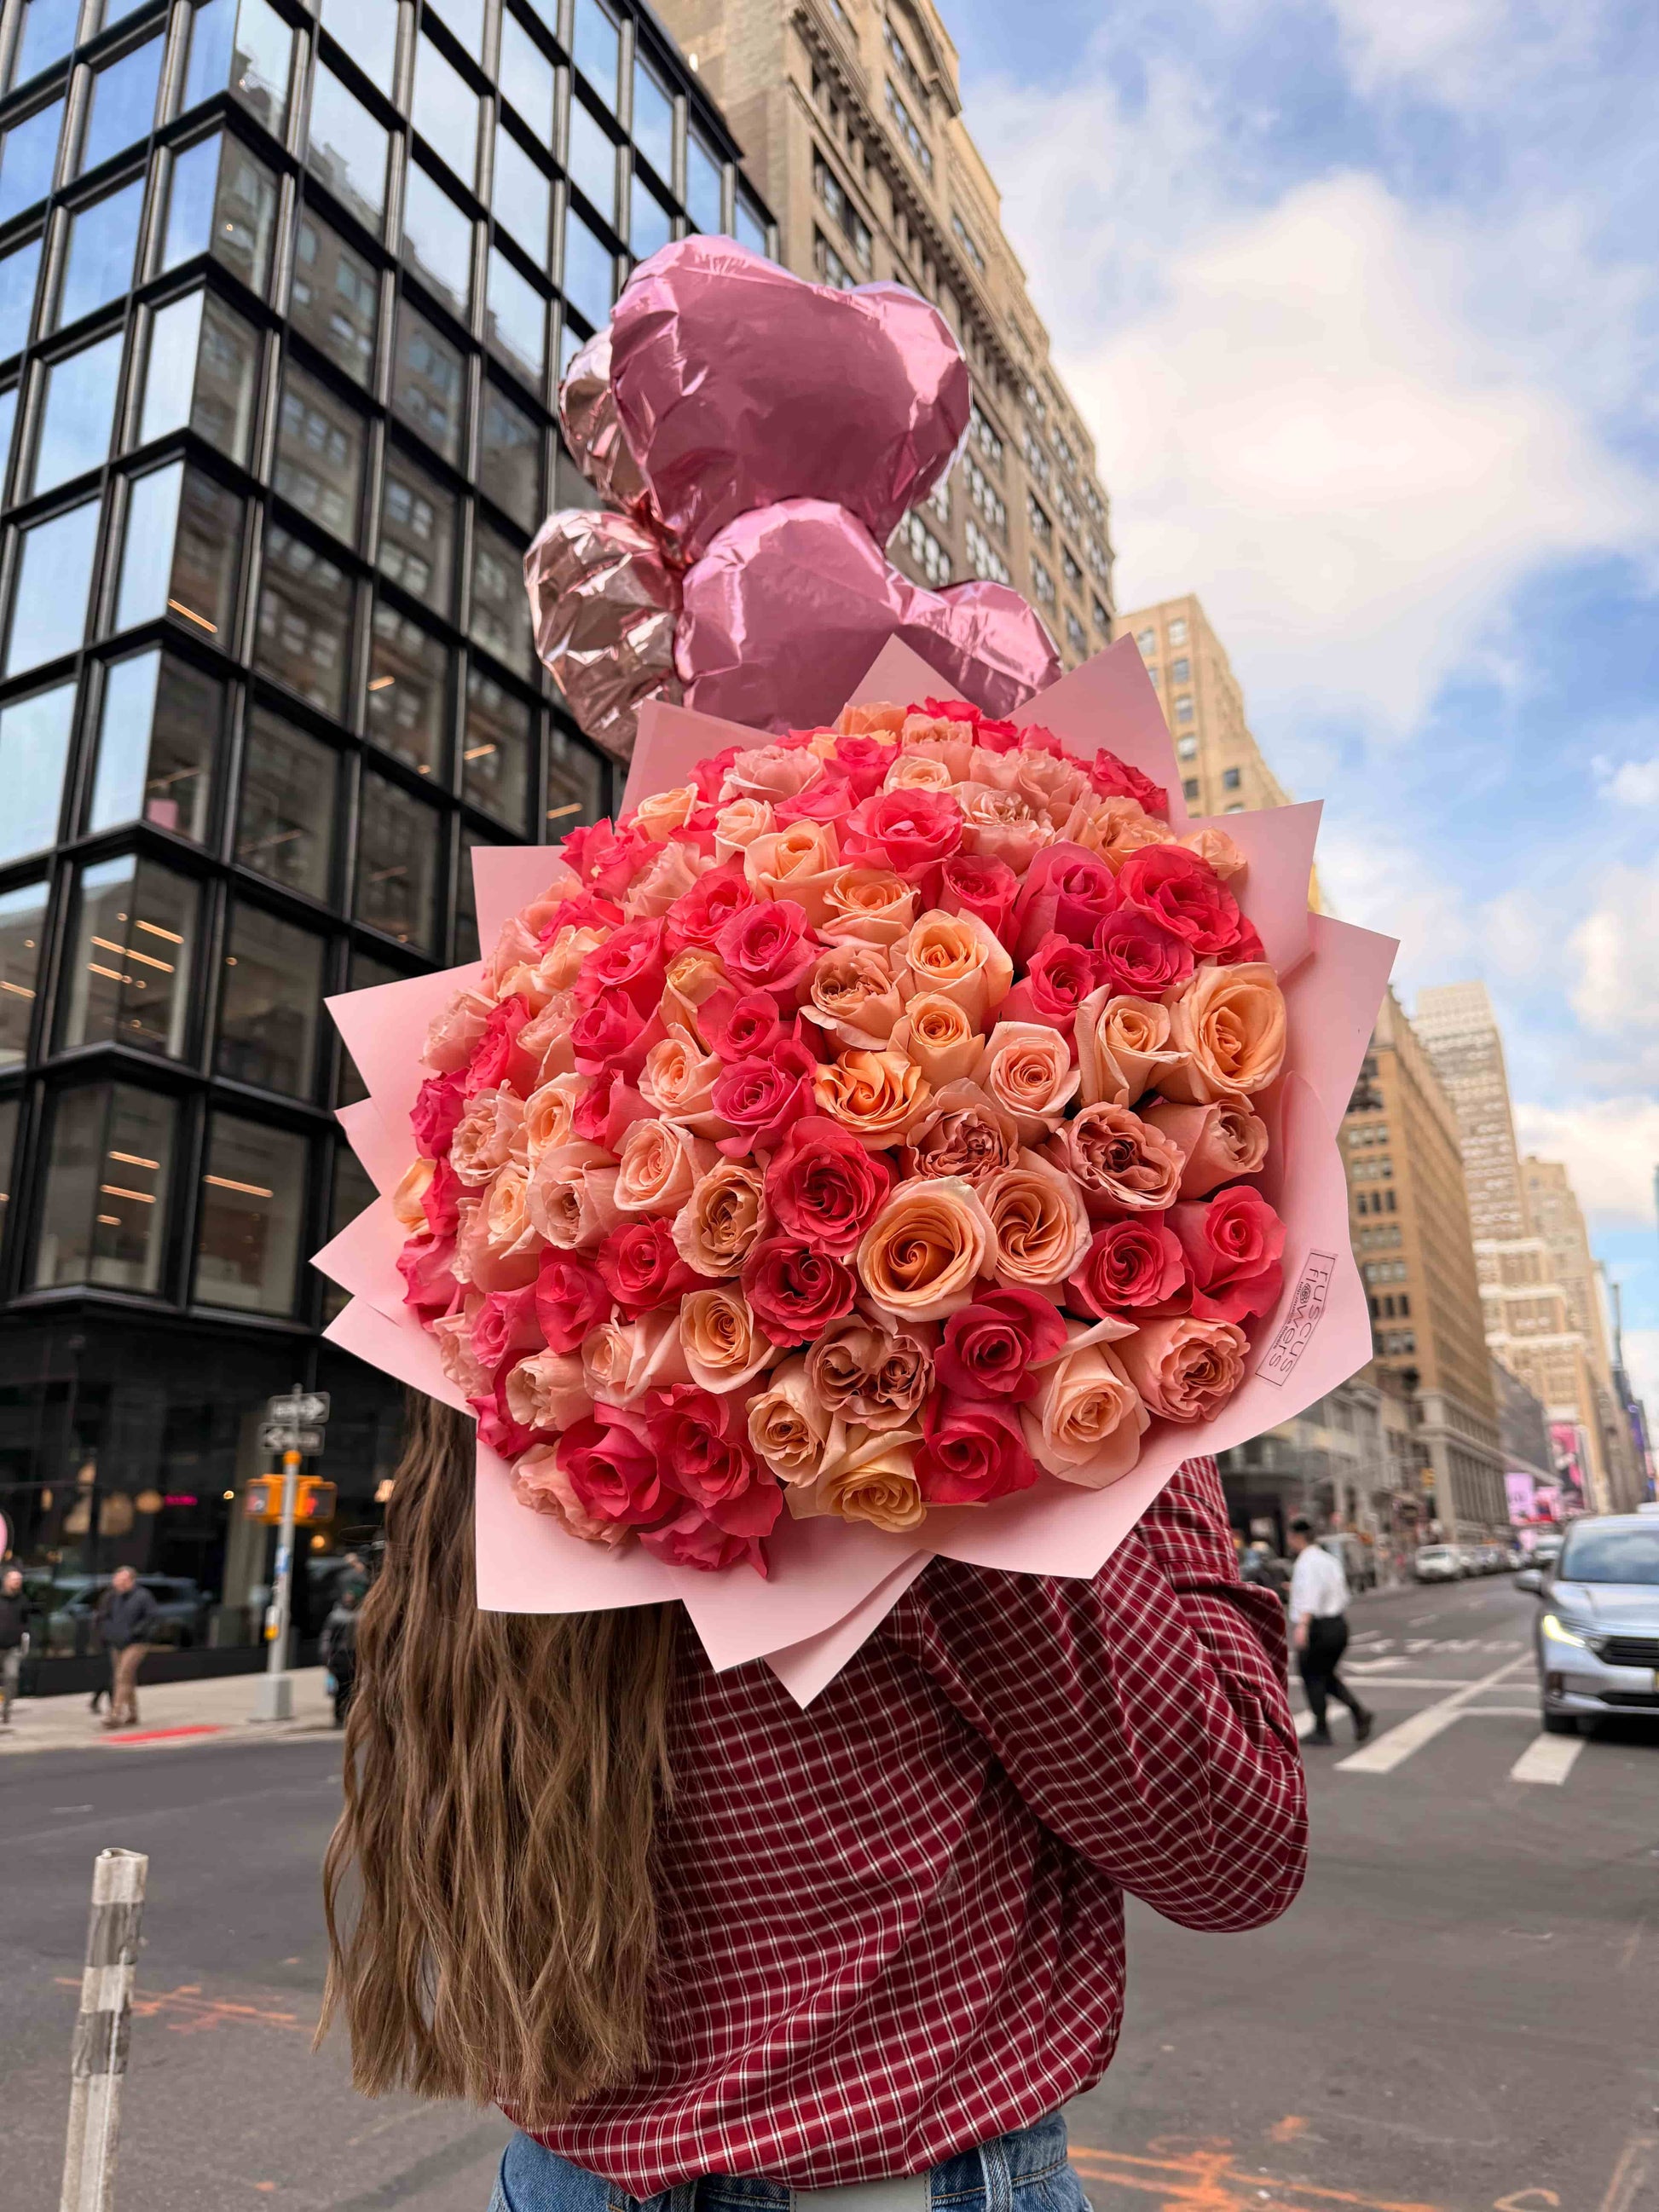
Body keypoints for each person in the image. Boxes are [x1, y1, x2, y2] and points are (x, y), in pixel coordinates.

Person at [322, 1401, 1307, 2212]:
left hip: (555, 2180)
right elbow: (1230, 1846)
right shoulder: (925, 1408)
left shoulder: (501, 1391)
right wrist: (1163, 1450)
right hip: (888, 2188)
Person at [1286, 1519, 1373, 1748]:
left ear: (1297, 1537)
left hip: (1318, 1627)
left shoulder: (1306, 1562)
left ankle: (1322, 1729)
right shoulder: (1328, 1559)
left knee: (1312, 1676)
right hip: (1338, 1624)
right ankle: (1359, 1712)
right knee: (1324, 1675)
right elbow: (1341, 1593)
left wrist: (1303, 1625)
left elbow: (1312, 1595)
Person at [95, 1567, 158, 1730]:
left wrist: (136, 1632)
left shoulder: (143, 1596)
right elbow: (103, 1616)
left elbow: (151, 1618)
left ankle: (115, 1714)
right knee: (127, 1677)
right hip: (117, 1642)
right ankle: (133, 1713)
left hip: (137, 1642)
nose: (118, 1584)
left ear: (131, 1580)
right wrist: (108, 1633)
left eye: (122, 1581)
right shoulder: (111, 1597)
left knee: (122, 1675)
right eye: (116, 1581)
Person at [320, 1585, 360, 1727]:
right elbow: (327, 1638)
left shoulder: (361, 1614)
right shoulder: (336, 1616)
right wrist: (327, 1657)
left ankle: (351, 1716)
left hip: (355, 1657)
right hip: (340, 1658)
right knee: (341, 1690)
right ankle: (339, 1716)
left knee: (354, 1689)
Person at [0, 1566, 27, 1729]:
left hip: (13, 1646)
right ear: (6, 1581)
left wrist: (24, 1635)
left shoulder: (22, 1600)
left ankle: (6, 1709)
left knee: (12, 1676)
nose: (17, 1583)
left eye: (19, 1580)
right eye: (14, 1580)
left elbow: (26, 1621)